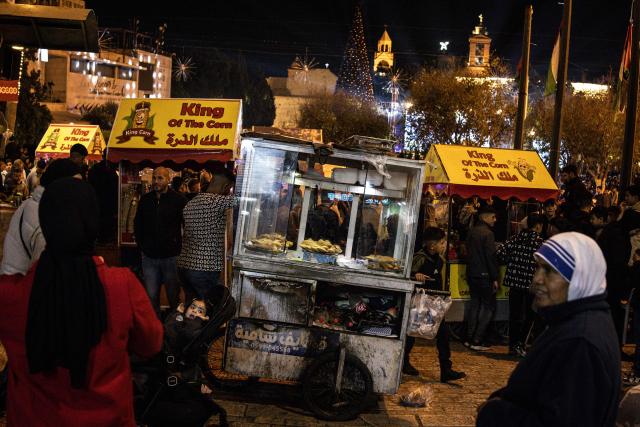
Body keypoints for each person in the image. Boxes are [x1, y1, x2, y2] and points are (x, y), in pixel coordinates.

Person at [0, 177, 163, 426]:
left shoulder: (10, 295)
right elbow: (151, 344)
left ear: (44, 222)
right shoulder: (122, 285)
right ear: (93, 222)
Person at [476, 233, 621, 427]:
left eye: (549, 271)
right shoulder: (573, 321)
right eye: (538, 267)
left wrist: (494, 413)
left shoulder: (580, 342)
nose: (536, 278)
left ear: (578, 279)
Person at [404, 227, 466, 383]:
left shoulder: (440, 260)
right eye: (442, 242)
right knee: (411, 333)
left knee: (443, 336)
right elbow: (407, 276)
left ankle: (446, 370)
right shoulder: (419, 258)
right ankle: (403, 362)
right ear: (432, 245)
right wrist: (414, 275)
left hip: (435, 304)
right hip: (419, 303)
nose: (445, 245)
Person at [0, 159, 81, 275]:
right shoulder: (43, 217)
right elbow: (43, 272)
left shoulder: (35, 204)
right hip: (21, 284)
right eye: (75, 186)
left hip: (15, 280)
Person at [134, 166, 188, 316]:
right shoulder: (145, 200)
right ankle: (155, 329)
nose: (156, 181)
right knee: (151, 296)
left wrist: (180, 247)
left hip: (171, 256)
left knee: (173, 295)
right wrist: (142, 246)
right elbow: (138, 224)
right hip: (149, 256)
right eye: (154, 178)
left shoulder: (179, 200)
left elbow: (187, 224)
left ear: (168, 179)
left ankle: (172, 328)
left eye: (160, 178)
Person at [177, 171, 235, 304]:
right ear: (226, 186)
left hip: (184, 265)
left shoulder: (192, 202)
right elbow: (245, 200)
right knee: (204, 309)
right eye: (229, 188)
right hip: (204, 268)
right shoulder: (216, 201)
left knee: (190, 308)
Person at [497, 213, 544, 356]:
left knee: (514, 315)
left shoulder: (515, 239)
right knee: (529, 316)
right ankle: (521, 344)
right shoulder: (540, 243)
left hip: (515, 283)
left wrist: (512, 261)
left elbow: (499, 253)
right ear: (537, 226)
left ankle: (512, 345)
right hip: (531, 285)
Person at [464, 205, 499, 351]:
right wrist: (495, 277)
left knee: (474, 305)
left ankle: (469, 337)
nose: (495, 220)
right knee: (488, 307)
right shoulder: (488, 234)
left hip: (472, 273)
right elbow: (490, 257)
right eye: (493, 217)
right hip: (484, 275)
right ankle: (477, 339)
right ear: (485, 217)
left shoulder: (472, 231)